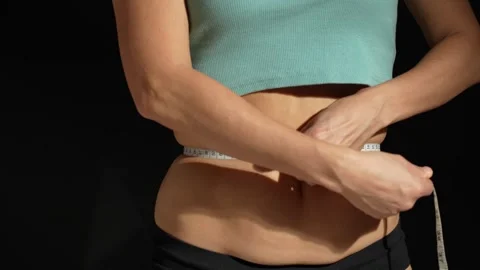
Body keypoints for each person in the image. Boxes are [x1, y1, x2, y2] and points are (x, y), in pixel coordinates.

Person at [112, 0, 480, 269]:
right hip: (211, 252)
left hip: (370, 250)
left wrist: (373, 108)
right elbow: (158, 88)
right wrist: (337, 168)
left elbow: (468, 45)